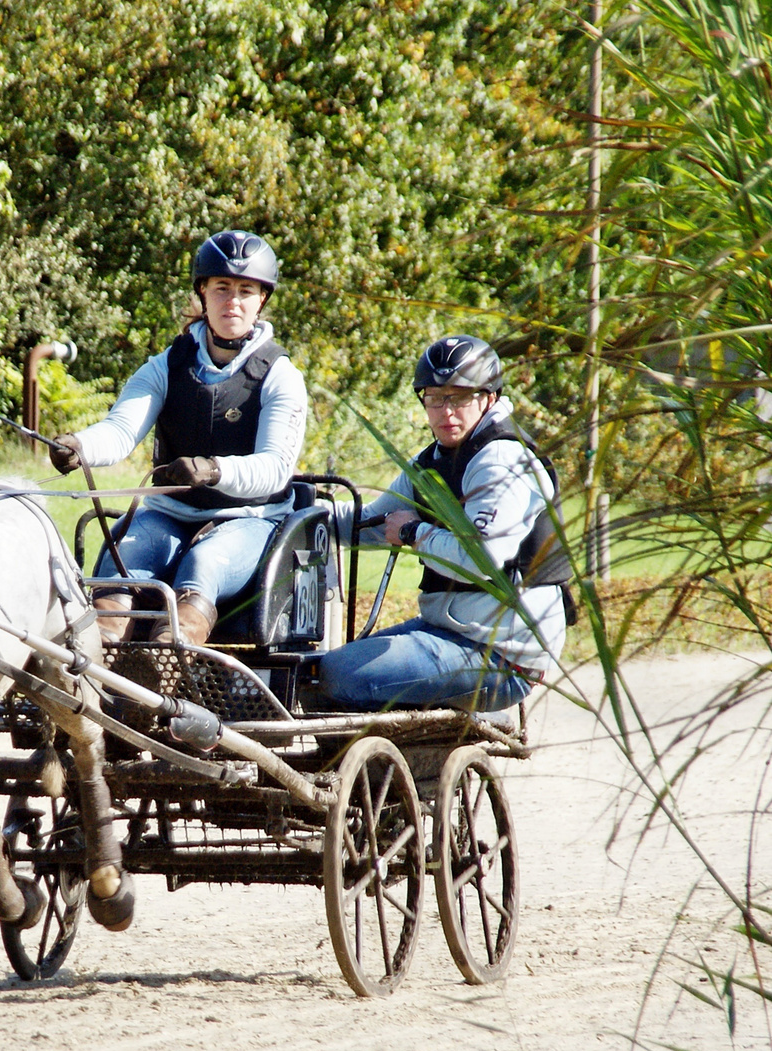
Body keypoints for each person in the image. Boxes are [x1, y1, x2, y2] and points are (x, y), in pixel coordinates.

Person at [49, 229, 307, 645]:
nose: (233, 301)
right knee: (123, 559)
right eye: (222, 287)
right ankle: (98, 670)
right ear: (203, 291)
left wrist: (213, 470)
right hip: (168, 513)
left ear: (262, 299)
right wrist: (81, 446)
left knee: (203, 563)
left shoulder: (281, 376)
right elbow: (120, 430)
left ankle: (168, 668)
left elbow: (275, 470)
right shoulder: (166, 366)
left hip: (250, 520)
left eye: (246, 290)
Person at [320, 334, 573, 713]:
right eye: (434, 398)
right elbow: (371, 522)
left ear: (489, 397)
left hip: (502, 656)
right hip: (451, 633)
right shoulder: (434, 459)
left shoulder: (501, 459)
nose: (445, 411)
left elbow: (481, 558)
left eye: (458, 397)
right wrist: (295, 509)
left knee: (340, 674)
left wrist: (413, 533)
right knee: (316, 672)